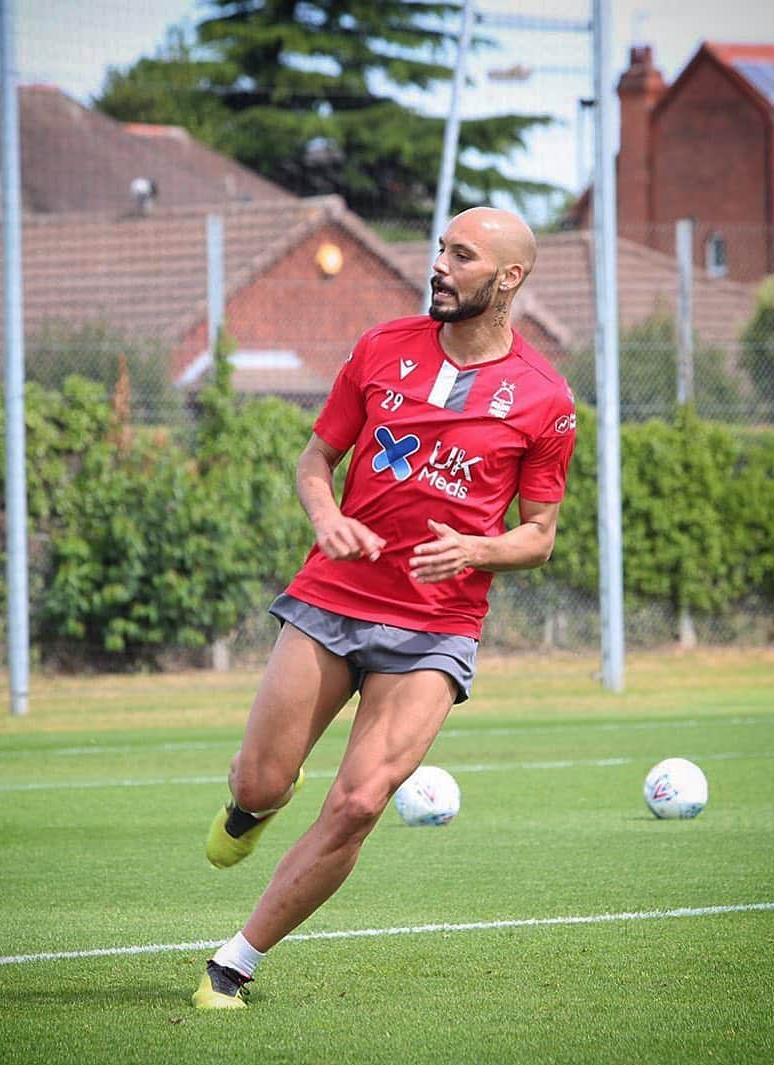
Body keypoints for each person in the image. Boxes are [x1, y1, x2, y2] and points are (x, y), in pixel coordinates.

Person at [194, 206, 577, 1009]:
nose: (438, 264)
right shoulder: (379, 348)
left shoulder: (543, 398)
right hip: (333, 598)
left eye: (461, 255)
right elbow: (314, 458)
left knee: (361, 801)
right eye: (440, 248)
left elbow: (538, 537)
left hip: (435, 627)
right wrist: (325, 515)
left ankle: (234, 961)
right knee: (261, 778)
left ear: (507, 278)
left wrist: (475, 549)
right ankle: (253, 800)